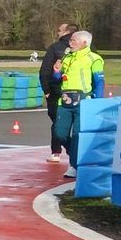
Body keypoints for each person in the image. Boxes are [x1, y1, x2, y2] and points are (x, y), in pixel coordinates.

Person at [53, 29, 105, 179]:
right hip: (65, 100)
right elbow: (58, 78)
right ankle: (77, 155)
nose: (70, 43)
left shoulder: (94, 58)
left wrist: (97, 102)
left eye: (73, 41)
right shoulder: (66, 57)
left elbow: (99, 81)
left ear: (84, 43)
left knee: (77, 135)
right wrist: (56, 72)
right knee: (59, 133)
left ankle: (75, 165)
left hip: (83, 101)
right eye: (70, 40)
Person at [40, 23, 79, 164]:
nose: (58, 33)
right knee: (72, 126)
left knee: (58, 123)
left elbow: (45, 70)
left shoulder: (56, 47)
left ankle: (61, 151)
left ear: (67, 32)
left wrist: (46, 89)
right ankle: (70, 151)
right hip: (81, 93)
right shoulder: (88, 49)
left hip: (58, 92)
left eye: (59, 30)